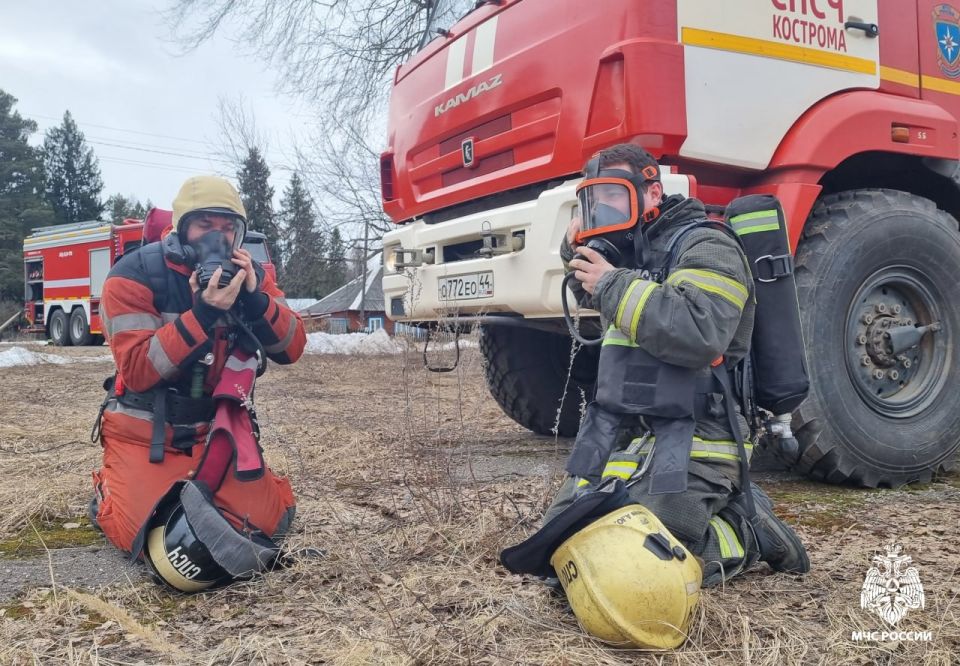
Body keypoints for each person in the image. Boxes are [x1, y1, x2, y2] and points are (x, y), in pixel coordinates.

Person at [90, 175, 306, 590]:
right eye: (206, 226)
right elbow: (137, 369)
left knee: (271, 521)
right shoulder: (132, 276)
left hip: (215, 430)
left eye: (228, 229)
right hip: (145, 433)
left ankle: (208, 484)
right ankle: (107, 495)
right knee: (162, 544)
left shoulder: (251, 276)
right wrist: (201, 315)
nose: (218, 239)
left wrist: (256, 298)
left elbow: (292, 348)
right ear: (182, 229)